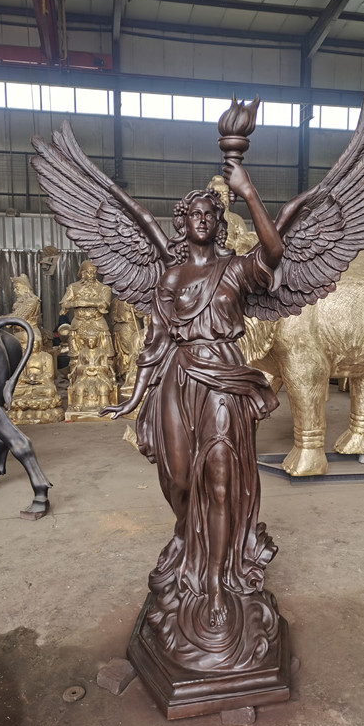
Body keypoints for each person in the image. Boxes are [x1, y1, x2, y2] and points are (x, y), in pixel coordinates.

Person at [101, 161, 283, 629]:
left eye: (210, 214)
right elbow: (155, 343)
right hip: (178, 380)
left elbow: (274, 251)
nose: (202, 220)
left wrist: (248, 191)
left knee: (220, 480)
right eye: (195, 214)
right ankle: (188, 542)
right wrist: (133, 398)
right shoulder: (170, 278)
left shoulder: (235, 270)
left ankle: (217, 582)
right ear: (184, 223)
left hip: (223, 379)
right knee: (179, 480)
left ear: (219, 223)